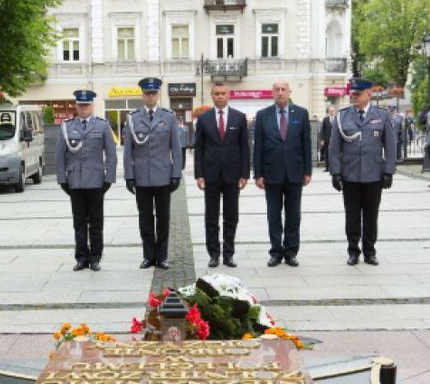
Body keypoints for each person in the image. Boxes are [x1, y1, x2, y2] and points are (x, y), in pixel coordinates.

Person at [330, 78, 397, 266]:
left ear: (369, 94)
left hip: (373, 174)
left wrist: (388, 171)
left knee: (371, 216)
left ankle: (369, 251)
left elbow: (390, 145)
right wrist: (335, 172)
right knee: (351, 217)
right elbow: (334, 147)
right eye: (352, 94)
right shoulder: (343, 116)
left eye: (357, 94)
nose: (354, 97)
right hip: (350, 174)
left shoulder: (382, 116)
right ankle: (353, 251)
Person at [123, 77, 182, 270]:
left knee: (163, 218)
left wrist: (176, 174)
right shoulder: (133, 118)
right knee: (145, 218)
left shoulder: (169, 117)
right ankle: (148, 256)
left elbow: (176, 148)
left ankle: (162, 256)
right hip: (141, 177)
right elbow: (128, 150)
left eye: (153, 93)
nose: (150, 96)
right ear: (143, 95)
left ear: (158, 94)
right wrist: (129, 176)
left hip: (163, 176)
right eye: (147, 93)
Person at [253, 79, 312, 267]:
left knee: (293, 215)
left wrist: (308, 171)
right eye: (277, 89)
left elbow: (306, 144)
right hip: (271, 173)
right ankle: (276, 252)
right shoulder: (262, 115)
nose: (280, 92)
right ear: (272, 93)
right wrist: (258, 174)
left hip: (295, 172)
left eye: (283, 89)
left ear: (289, 92)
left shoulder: (301, 113)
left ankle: (291, 252)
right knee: (273, 215)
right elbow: (258, 147)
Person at [57, 89, 117, 272]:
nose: (83, 108)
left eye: (86, 105)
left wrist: (108, 179)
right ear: (76, 106)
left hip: (96, 181)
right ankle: (81, 257)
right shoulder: (66, 126)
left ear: (92, 106)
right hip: (75, 181)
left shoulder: (102, 126)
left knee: (96, 223)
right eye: (80, 105)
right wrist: (62, 180)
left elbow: (111, 154)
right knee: (79, 222)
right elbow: (60, 155)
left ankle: (95, 258)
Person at [194, 81, 250, 268]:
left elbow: (245, 147)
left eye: (223, 93)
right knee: (211, 217)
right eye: (216, 93)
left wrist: (244, 174)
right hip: (210, 175)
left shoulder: (239, 118)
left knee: (231, 217)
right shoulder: (203, 119)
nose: (219, 96)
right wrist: (199, 174)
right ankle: (213, 254)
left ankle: (228, 254)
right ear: (211, 95)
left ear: (228, 95)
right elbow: (199, 148)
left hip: (232, 176)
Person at [319, 105, 336, 172]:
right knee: (327, 153)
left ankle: (333, 167)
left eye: (333, 111)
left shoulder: (336, 118)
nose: (332, 112)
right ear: (328, 112)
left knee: (334, 153)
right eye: (330, 111)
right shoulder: (325, 119)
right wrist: (322, 139)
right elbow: (322, 130)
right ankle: (327, 167)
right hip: (327, 139)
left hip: (335, 139)